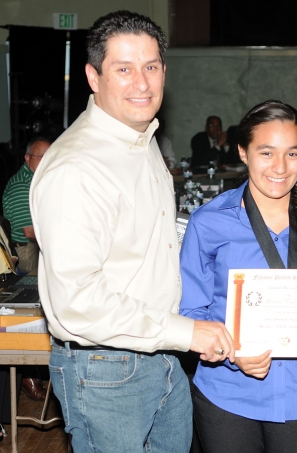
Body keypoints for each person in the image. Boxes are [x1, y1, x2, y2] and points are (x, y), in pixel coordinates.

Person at [30, 10, 234, 453]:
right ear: (93, 76)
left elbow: (150, 249)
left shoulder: (140, 141)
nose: (142, 84)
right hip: (107, 370)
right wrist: (188, 333)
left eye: (151, 67)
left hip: (160, 352)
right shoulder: (78, 168)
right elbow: (79, 301)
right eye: (123, 69)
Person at [179, 100, 297, 453]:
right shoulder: (209, 222)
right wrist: (231, 351)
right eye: (266, 152)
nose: (280, 167)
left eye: (292, 154)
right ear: (243, 153)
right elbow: (191, 313)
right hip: (227, 396)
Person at [2, 137, 50, 274]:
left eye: (49, 156)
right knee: (32, 290)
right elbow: (29, 231)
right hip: (27, 250)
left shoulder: (35, 180)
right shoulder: (20, 186)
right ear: (27, 158)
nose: (46, 160)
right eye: (40, 156)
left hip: (36, 245)